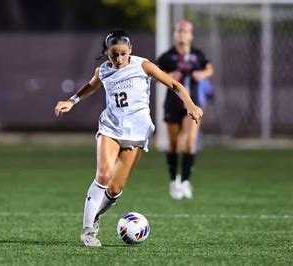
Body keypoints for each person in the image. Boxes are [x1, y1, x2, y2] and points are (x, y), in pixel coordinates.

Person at [54, 29, 202, 247]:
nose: (119, 59)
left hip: (137, 133)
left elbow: (174, 84)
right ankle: (88, 231)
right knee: (103, 175)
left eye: (123, 53)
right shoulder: (103, 70)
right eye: (114, 54)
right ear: (106, 52)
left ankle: (95, 214)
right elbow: (91, 86)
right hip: (110, 128)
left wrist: (190, 104)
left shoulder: (143, 65)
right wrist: (72, 100)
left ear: (130, 50)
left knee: (114, 189)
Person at [156, 20, 214, 200]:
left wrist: (201, 75)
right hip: (172, 104)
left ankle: (186, 182)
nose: (182, 34)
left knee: (190, 142)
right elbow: (153, 74)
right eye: (179, 31)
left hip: (192, 104)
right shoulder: (167, 56)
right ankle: (174, 180)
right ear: (174, 34)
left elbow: (209, 68)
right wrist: (167, 76)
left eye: (185, 31)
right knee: (173, 145)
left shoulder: (197, 55)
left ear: (191, 35)